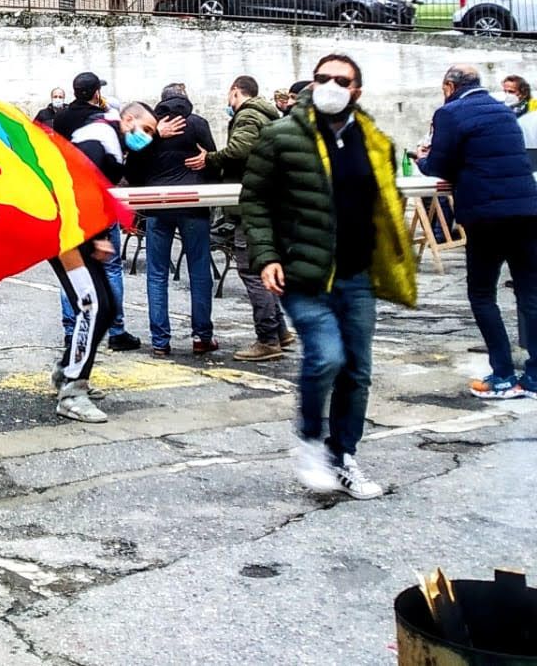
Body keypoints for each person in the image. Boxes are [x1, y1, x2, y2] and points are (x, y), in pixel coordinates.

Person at [239, 53, 416, 499]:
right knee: (326, 357)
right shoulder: (280, 136)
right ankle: (309, 441)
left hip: (356, 275)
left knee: (357, 370)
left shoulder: (373, 140)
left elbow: (385, 201)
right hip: (302, 274)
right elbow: (254, 200)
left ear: (357, 90)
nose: (331, 86)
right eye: (323, 78)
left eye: (342, 80)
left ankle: (343, 456)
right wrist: (267, 256)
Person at [416, 65, 537, 400]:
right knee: (530, 293)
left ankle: (502, 375)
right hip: (526, 209)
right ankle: (534, 376)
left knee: (483, 294)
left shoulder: (450, 113)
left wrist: (421, 158)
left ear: (449, 86)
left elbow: (439, 165)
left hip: (486, 214)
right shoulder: (504, 110)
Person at [186, 75, 293, 361]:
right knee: (263, 267)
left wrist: (210, 158)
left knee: (251, 270)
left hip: (251, 205)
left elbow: (240, 150)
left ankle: (267, 339)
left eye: (228, 94)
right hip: (267, 201)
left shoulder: (247, 116)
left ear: (235, 91)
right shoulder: (266, 114)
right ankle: (280, 332)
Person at [52, 75, 145, 371]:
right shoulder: (103, 132)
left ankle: (69, 371)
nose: (145, 137)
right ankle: (71, 379)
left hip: (79, 225)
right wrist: (99, 235)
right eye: (145, 129)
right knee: (97, 306)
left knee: (99, 306)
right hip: (75, 227)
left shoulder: (90, 127)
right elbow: (85, 181)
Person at [126, 83, 218, 356]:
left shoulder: (149, 128)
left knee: (157, 274)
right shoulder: (197, 124)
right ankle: (202, 337)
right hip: (193, 204)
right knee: (199, 271)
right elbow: (213, 162)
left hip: (158, 205)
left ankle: (160, 341)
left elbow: (132, 169)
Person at [501, 74, 537, 171]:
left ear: (523, 92)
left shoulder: (534, 106)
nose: (507, 94)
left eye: (511, 91)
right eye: (505, 91)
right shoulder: (503, 107)